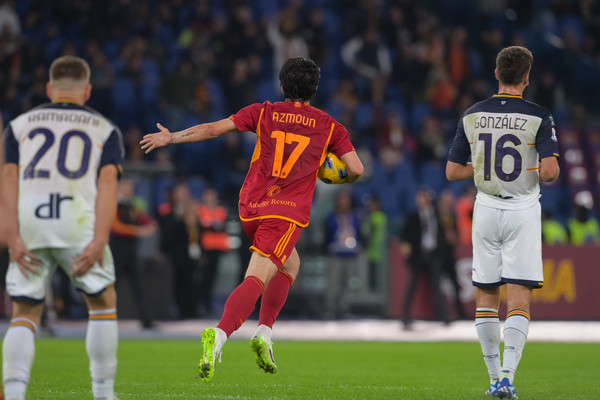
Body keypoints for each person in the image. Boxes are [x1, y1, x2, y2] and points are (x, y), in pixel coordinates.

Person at [141, 57, 364, 382]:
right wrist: (330, 173)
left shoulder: (264, 111)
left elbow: (212, 129)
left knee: (290, 265)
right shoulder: (330, 126)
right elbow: (356, 169)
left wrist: (171, 137)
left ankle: (264, 333)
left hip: (250, 208)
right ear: (315, 90)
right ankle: (219, 334)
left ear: (282, 86)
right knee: (256, 278)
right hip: (284, 213)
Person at [2, 55, 124, 400]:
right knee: (102, 301)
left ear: (48, 88)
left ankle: (14, 395)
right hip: (78, 222)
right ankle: (103, 393)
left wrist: (11, 234)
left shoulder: (19, 125)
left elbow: (8, 177)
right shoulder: (104, 129)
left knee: (24, 311)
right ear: (87, 91)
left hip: (31, 224)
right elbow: (108, 183)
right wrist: (100, 238)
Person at [446, 46, 560, 399]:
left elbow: (452, 172)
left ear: (496, 74)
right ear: (527, 78)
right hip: (521, 210)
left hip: (484, 208)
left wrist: (484, 167)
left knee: (486, 294)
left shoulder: (472, 114)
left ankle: (494, 378)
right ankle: (508, 377)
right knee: (519, 297)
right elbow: (550, 172)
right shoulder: (539, 116)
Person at [110, 178, 157, 328]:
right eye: (125, 187)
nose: (128, 190)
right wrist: (138, 231)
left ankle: (146, 321)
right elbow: (115, 227)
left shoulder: (132, 204)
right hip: (117, 250)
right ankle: (105, 318)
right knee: (111, 287)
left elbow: (143, 219)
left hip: (131, 252)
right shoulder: (113, 202)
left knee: (138, 287)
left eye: (130, 187)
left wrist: (149, 225)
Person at [399, 188, 448, 329]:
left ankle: (444, 317)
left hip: (433, 254)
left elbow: (441, 235)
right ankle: (405, 317)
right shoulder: (413, 215)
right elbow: (404, 233)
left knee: (436, 286)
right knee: (412, 286)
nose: (420, 200)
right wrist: (405, 244)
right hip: (418, 254)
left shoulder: (437, 215)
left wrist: (440, 252)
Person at [323, 190, 361, 319]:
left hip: (350, 254)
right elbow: (327, 234)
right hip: (335, 253)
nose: (344, 203)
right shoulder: (331, 217)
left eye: (346, 200)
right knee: (333, 282)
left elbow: (359, 233)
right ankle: (330, 308)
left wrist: (360, 245)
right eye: (342, 200)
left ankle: (344, 308)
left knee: (347, 283)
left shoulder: (354, 217)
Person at [196, 188, 230, 317]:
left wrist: (211, 225)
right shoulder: (199, 210)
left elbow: (222, 226)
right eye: (208, 195)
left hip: (217, 248)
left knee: (212, 277)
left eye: (212, 195)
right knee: (203, 276)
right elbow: (200, 227)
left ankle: (207, 303)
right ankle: (201, 302)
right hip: (204, 248)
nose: (210, 197)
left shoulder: (221, 210)